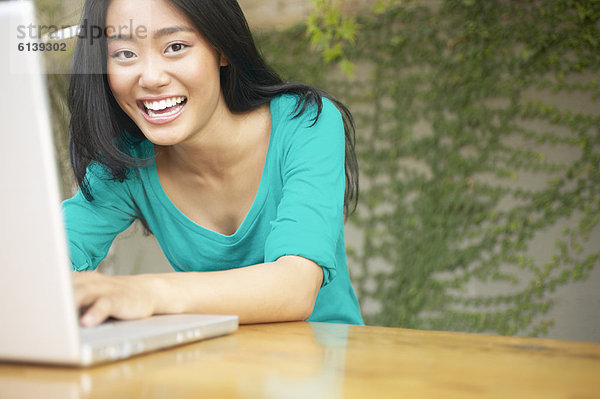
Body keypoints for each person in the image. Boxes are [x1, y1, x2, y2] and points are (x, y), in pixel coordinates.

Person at [64, 0, 363, 327]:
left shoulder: (305, 123)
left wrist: (145, 292)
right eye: (124, 54)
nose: (151, 78)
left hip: (327, 365)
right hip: (217, 370)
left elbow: (295, 285)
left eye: (176, 46)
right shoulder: (125, 162)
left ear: (221, 49)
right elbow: (42, 259)